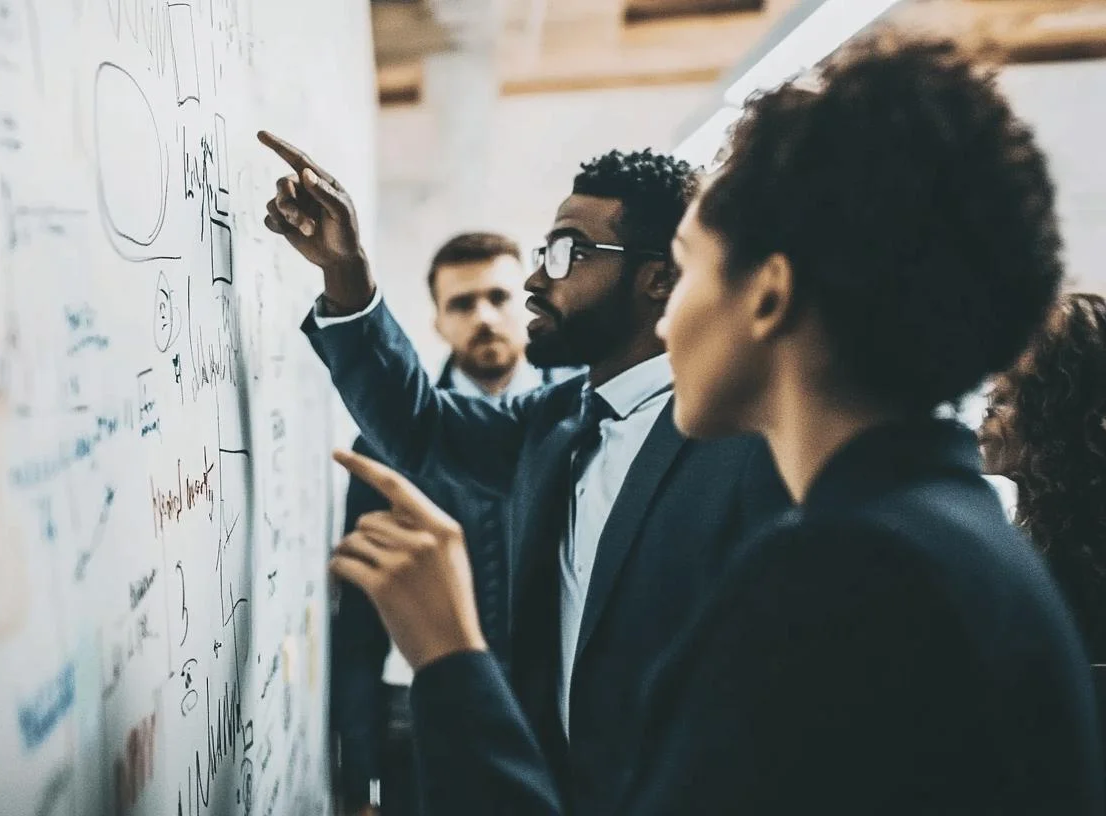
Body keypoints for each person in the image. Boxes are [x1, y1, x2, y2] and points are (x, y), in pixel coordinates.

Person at [325, 34, 1105, 814]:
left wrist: (450, 656)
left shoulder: (848, 575)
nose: (668, 322)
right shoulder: (939, 534)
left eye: (691, 268)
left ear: (767, 296)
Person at [258, 134, 785, 814]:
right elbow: (420, 425)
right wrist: (347, 274)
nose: (538, 279)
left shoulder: (744, 442)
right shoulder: (558, 421)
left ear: (658, 277)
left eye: (568, 252)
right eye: (544, 253)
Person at [332, 232, 574, 816]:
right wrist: (359, 776)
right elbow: (361, 618)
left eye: (499, 296)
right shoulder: (388, 444)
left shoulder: (581, 426)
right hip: (425, 718)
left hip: (567, 723)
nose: (484, 317)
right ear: (438, 322)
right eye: (462, 304)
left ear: (529, 306)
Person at [980, 292, 1106, 661]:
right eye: (991, 397)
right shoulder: (1042, 534)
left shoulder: (1075, 558)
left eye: (1005, 398)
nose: (987, 413)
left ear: (1056, 412)